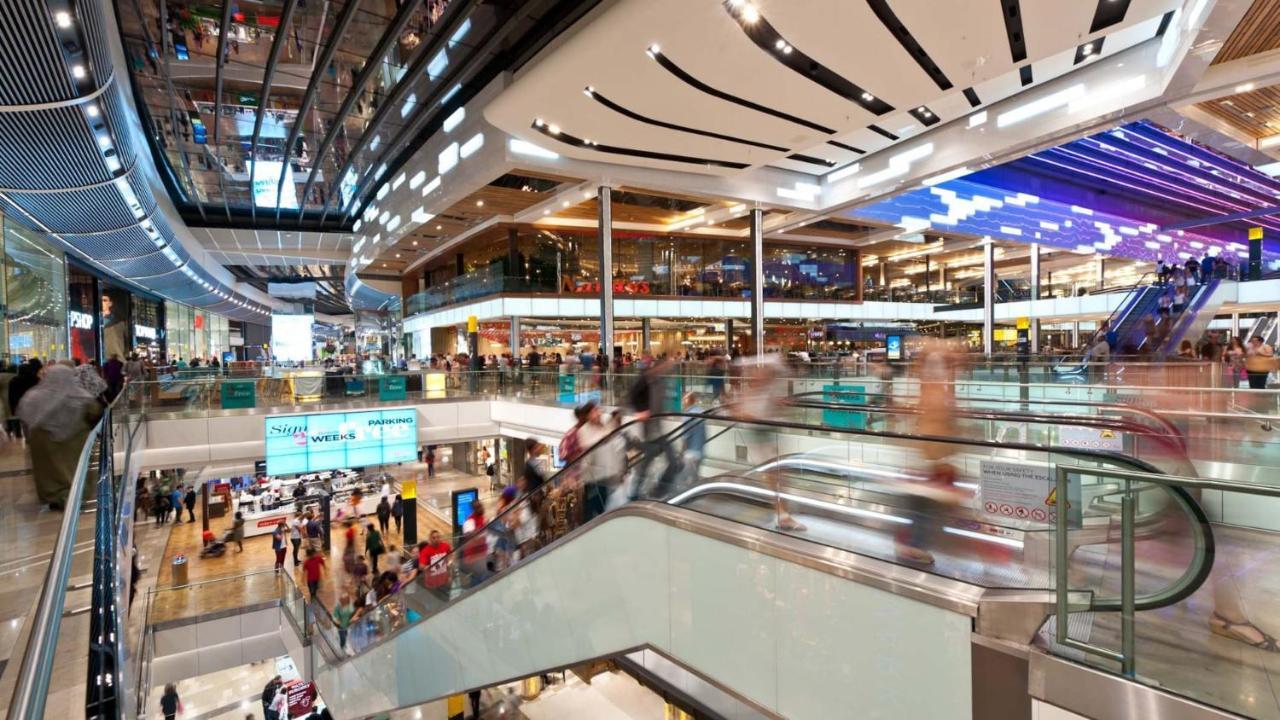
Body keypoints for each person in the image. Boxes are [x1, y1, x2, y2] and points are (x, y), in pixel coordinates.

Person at [16, 364, 103, 510]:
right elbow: (95, 412)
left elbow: (23, 414)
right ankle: (75, 495)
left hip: (42, 441)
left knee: (49, 473)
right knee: (73, 469)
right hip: (74, 441)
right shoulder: (78, 395)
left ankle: (55, 497)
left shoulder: (33, 396)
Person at [627, 357, 681, 498]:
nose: (668, 369)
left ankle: (658, 490)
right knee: (646, 465)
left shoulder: (660, 381)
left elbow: (659, 400)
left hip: (660, 432)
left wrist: (664, 411)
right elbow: (632, 395)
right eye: (666, 367)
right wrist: (640, 411)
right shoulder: (645, 380)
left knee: (673, 462)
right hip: (649, 433)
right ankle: (635, 493)